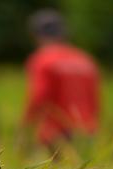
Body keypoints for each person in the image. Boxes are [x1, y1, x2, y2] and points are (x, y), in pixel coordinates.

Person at [23, 9, 100, 149]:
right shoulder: (84, 59)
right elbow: (94, 100)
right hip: (86, 130)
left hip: (55, 133)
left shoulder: (43, 59)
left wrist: (26, 125)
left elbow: (39, 96)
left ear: (36, 34)